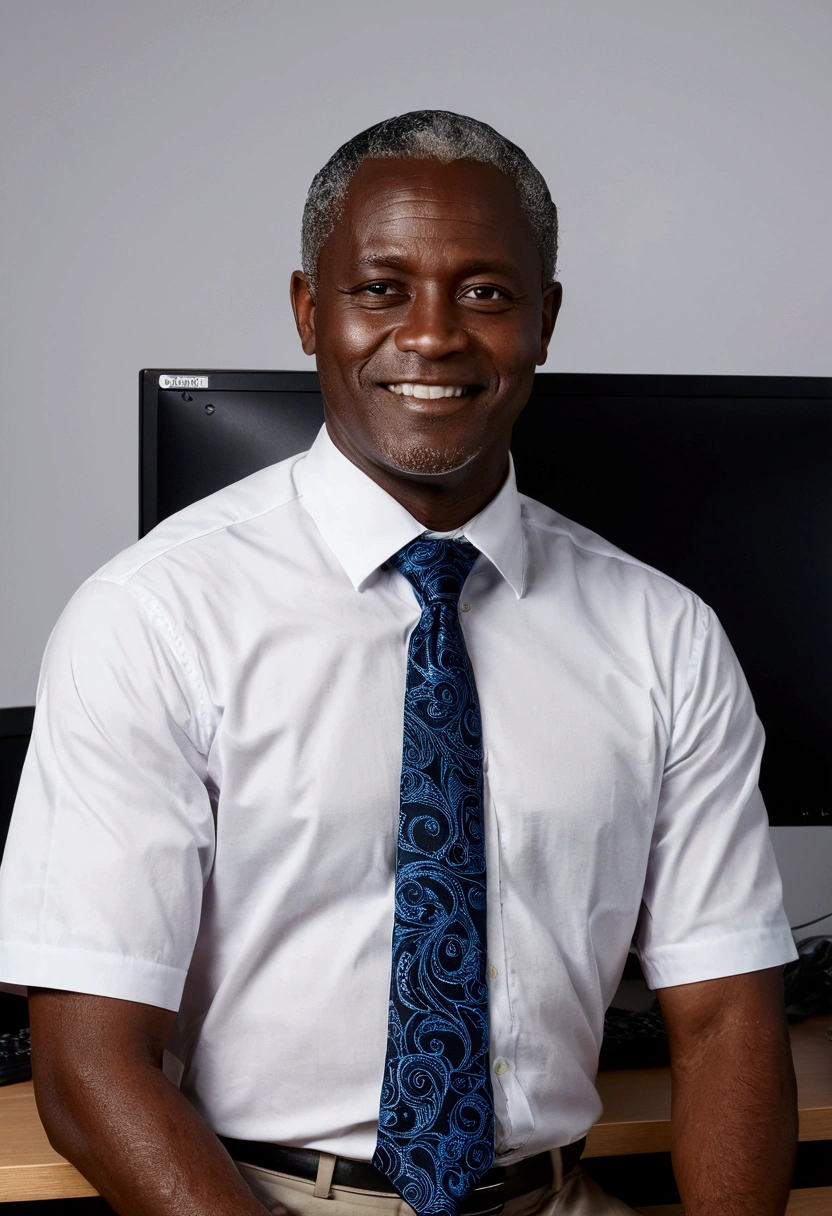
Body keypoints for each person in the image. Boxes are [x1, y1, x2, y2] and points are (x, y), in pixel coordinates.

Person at [0, 111, 799, 1216]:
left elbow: (725, 1023)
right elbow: (90, 1070)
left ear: (544, 320)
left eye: (484, 292)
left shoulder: (662, 633)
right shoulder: (151, 617)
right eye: (381, 288)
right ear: (305, 311)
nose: (431, 336)